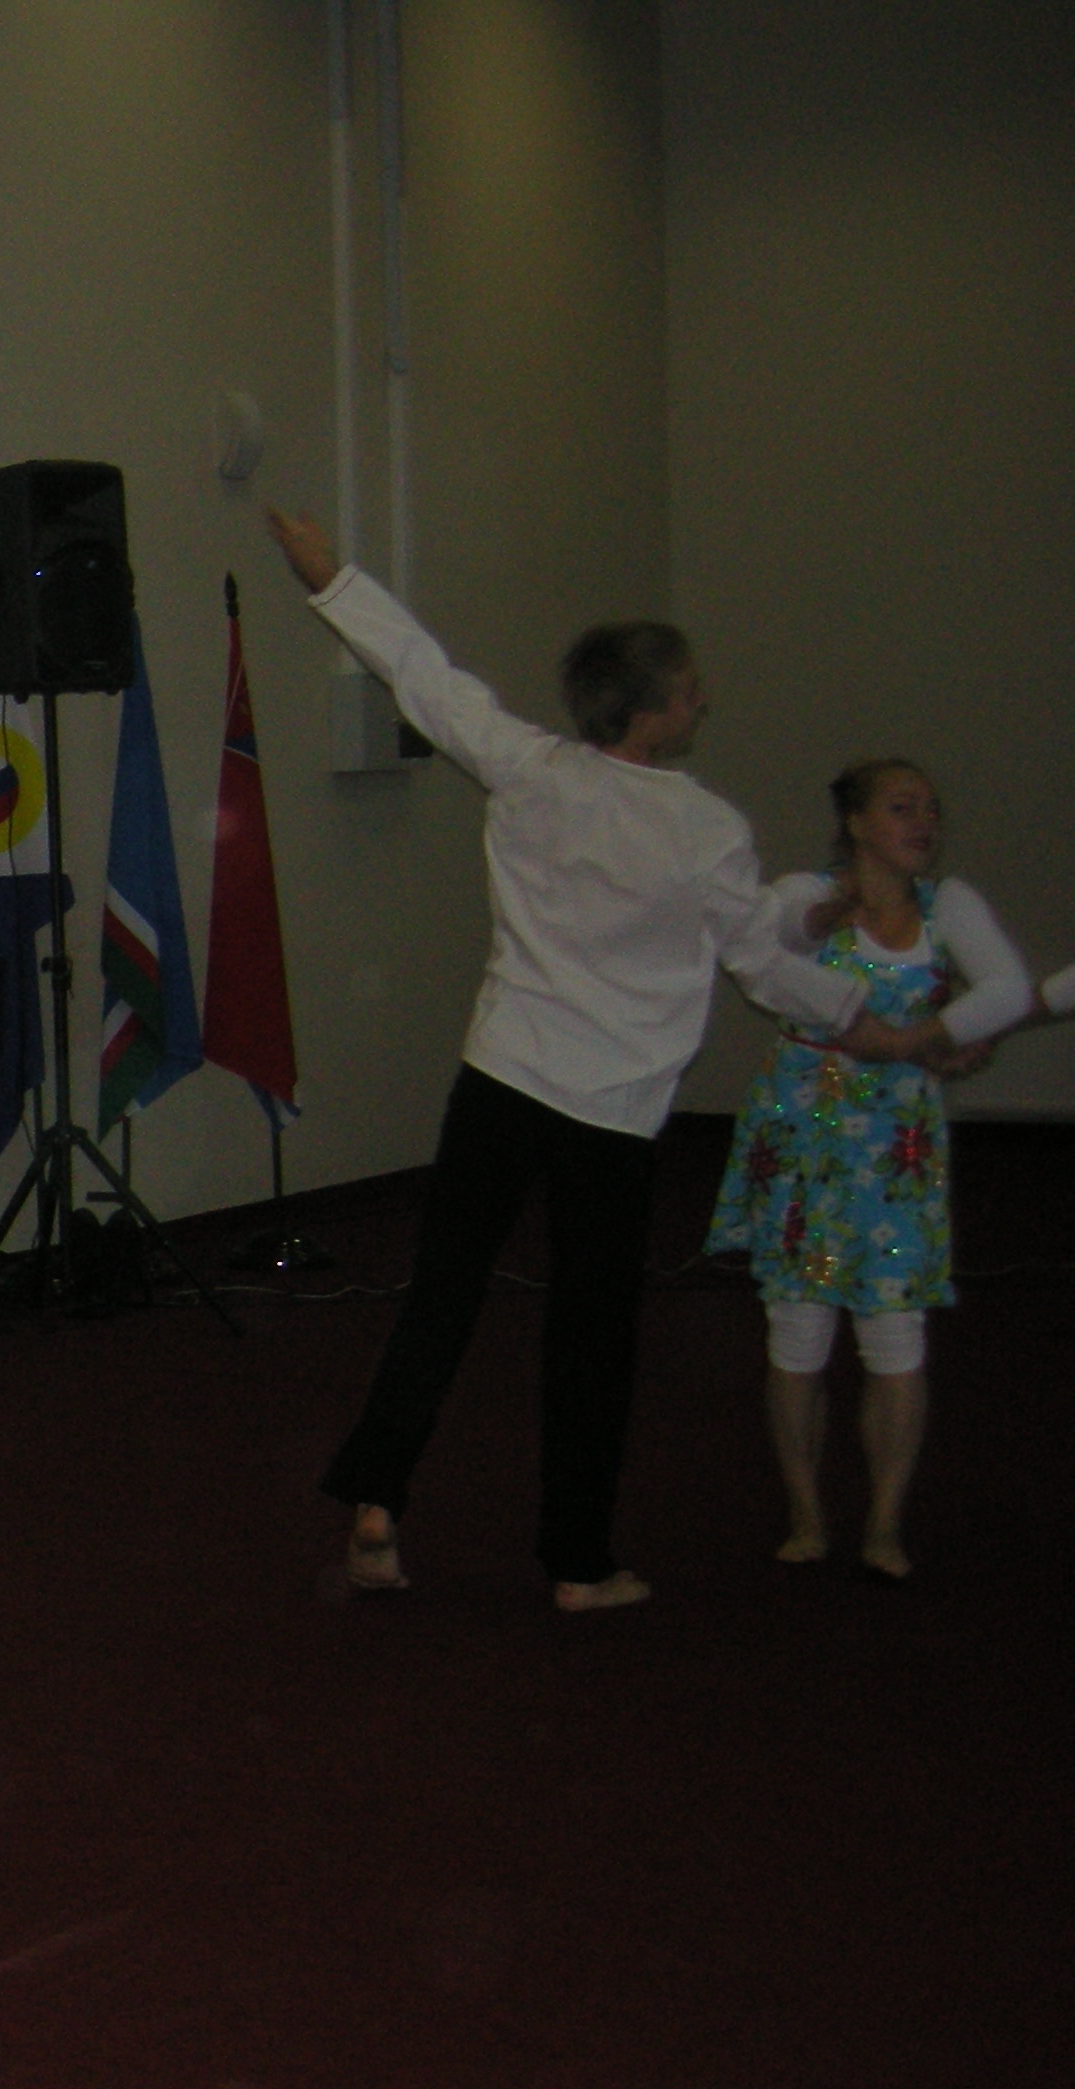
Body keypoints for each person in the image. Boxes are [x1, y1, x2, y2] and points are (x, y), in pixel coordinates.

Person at [260, 510, 947, 1609]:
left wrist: (327, 573)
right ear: (657, 707)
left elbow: (419, 672)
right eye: (691, 688)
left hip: (503, 1078)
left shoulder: (532, 768)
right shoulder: (705, 828)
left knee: (443, 1298)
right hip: (612, 1113)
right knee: (591, 1334)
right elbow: (765, 968)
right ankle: (578, 1563)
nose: (703, 700)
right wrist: (883, 1027)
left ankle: (377, 1504)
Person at [705, 759, 1043, 1579]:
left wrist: (921, 1039)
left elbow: (1007, 988)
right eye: (901, 808)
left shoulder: (947, 904)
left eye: (930, 809)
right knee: (799, 1330)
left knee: (895, 1332)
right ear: (856, 822)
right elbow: (773, 942)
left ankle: (885, 1523)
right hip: (807, 1133)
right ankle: (806, 1513)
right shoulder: (805, 892)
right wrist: (833, 916)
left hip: (896, 1146)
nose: (923, 822)